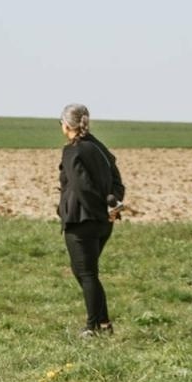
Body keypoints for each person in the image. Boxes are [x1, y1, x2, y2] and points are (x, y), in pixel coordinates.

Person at [57, 103, 125, 337]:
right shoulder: (100, 148)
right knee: (87, 273)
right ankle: (104, 323)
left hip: (81, 220)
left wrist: (99, 209)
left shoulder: (72, 151)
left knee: (86, 274)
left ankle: (92, 327)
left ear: (66, 125)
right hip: (104, 222)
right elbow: (117, 181)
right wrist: (113, 204)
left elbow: (81, 187)